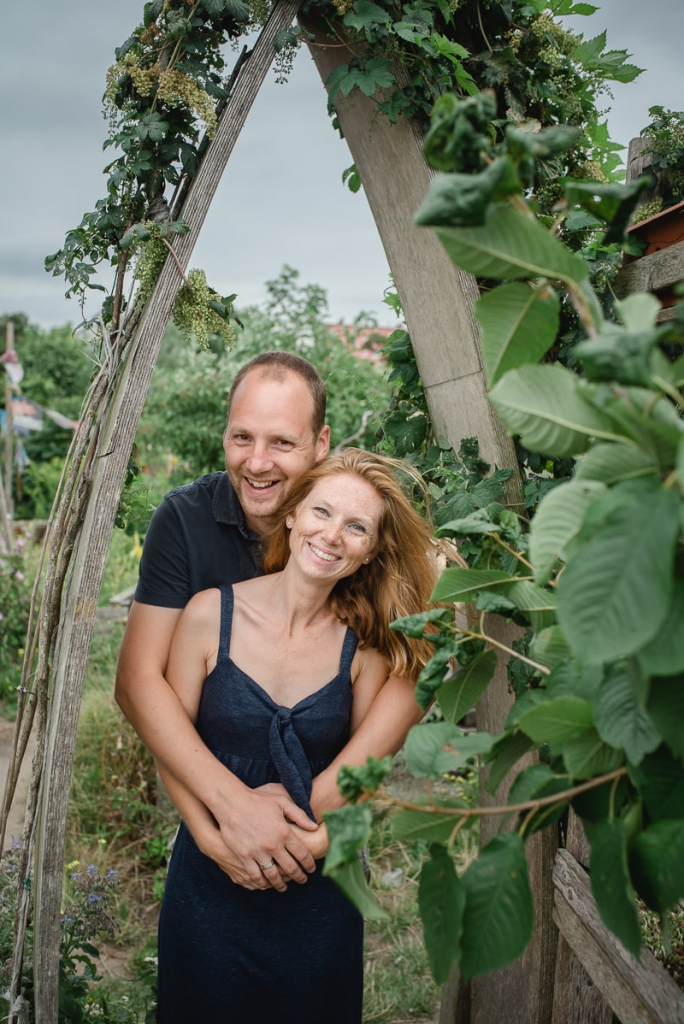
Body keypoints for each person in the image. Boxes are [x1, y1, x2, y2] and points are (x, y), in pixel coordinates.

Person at [115, 352, 424, 888]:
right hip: (218, 816)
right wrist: (223, 818)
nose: (257, 463)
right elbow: (140, 685)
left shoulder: (351, 518)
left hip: (320, 826)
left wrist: (315, 806)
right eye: (242, 438)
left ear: (320, 443)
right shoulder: (185, 522)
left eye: (282, 442)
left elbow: (411, 675)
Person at [156, 448, 437, 1023]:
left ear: (369, 553)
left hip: (317, 889)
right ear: (291, 514)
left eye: (356, 527)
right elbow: (170, 747)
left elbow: (365, 776)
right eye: (322, 511)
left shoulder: (365, 652)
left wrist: (309, 845)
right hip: (209, 887)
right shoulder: (209, 615)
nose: (332, 535)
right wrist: (213, 841)